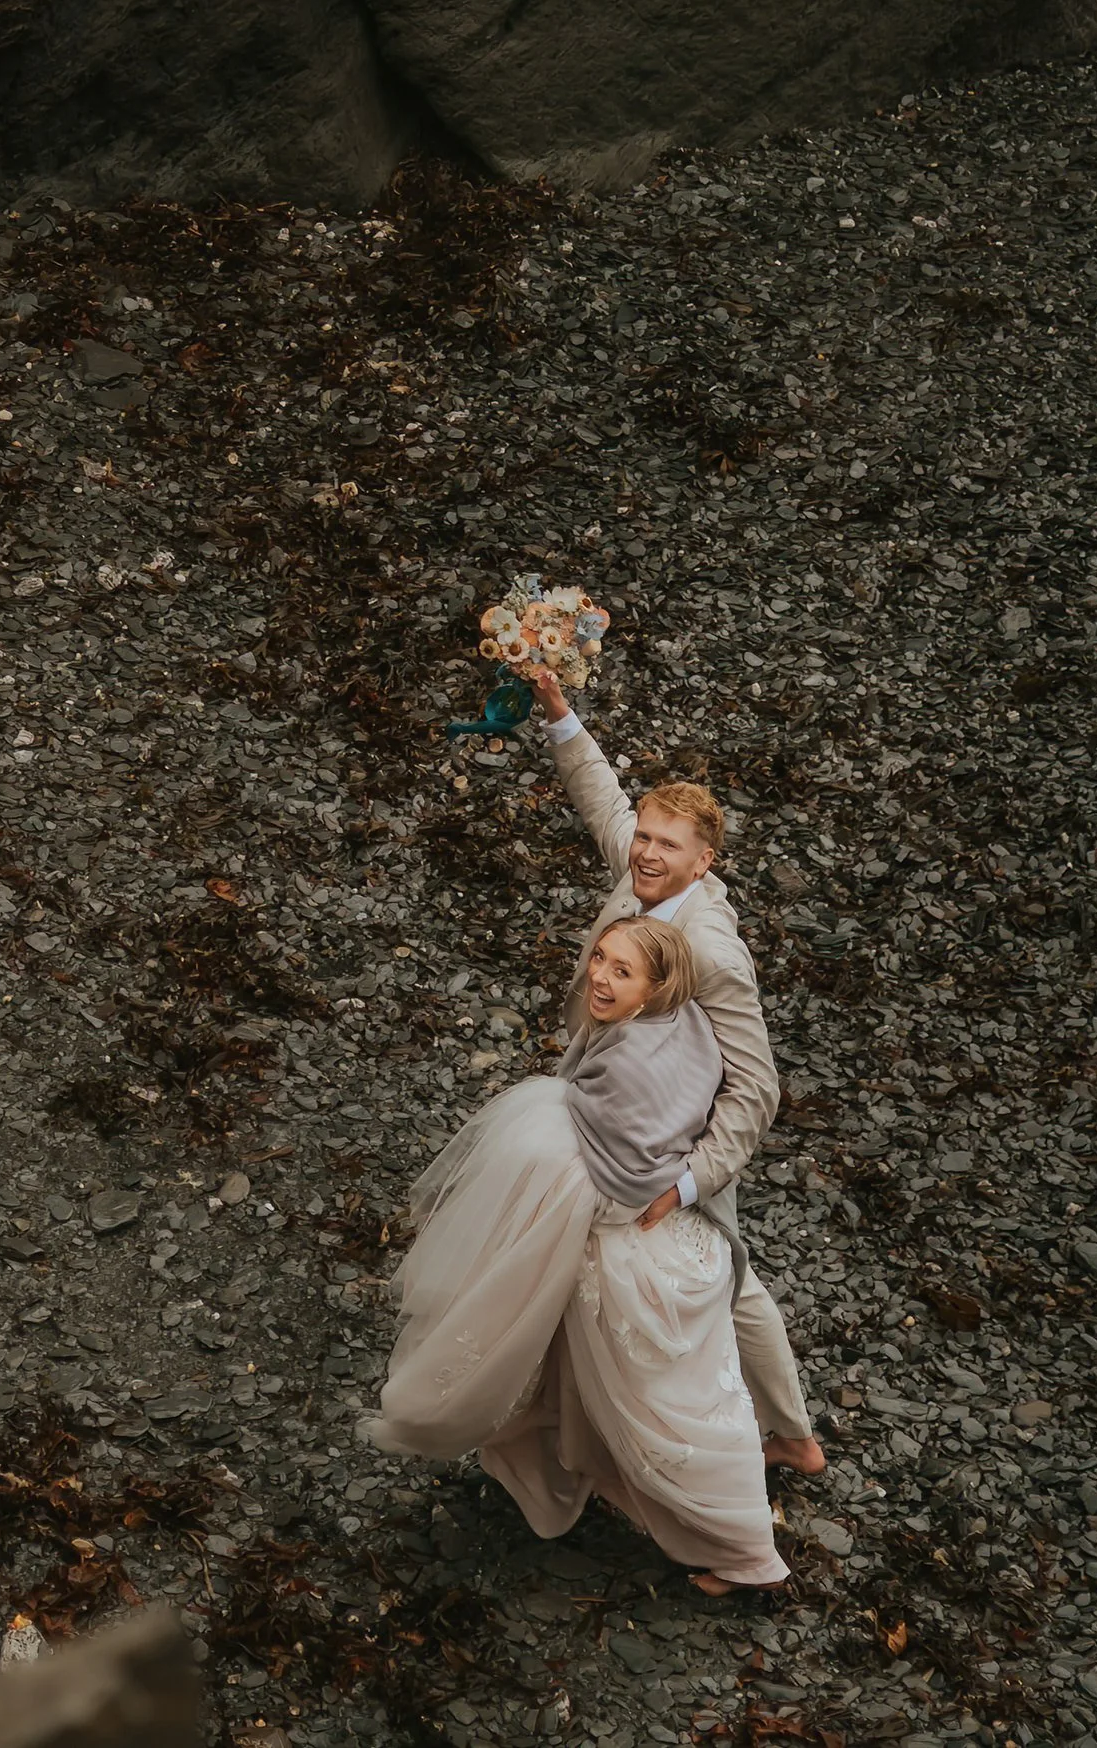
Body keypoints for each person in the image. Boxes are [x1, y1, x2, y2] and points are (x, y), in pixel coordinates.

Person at [362, 917, 788, 1590]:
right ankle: (587, 1477)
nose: (600, 975)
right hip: (685, 1245)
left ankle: (746, 1553)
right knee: (659, 1395)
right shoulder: (687, 1026)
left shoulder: (625, 1063)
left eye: (622, 972)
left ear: (654, 989)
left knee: (663, 1411)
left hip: (638, 1259)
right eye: (601, 959)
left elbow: (624, 1179)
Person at [522, 663, 823, 1476]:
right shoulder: (642, 868)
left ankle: (782, 1435)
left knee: (725, 1272)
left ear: (706, 862)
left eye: (666, 846)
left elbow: (758, 1088)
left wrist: (689, 1182)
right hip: (614, 1095)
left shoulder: (712, 952)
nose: (645, 854)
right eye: (645, 840)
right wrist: (558, 712)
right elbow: (604, 802)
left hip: (673, 1137)